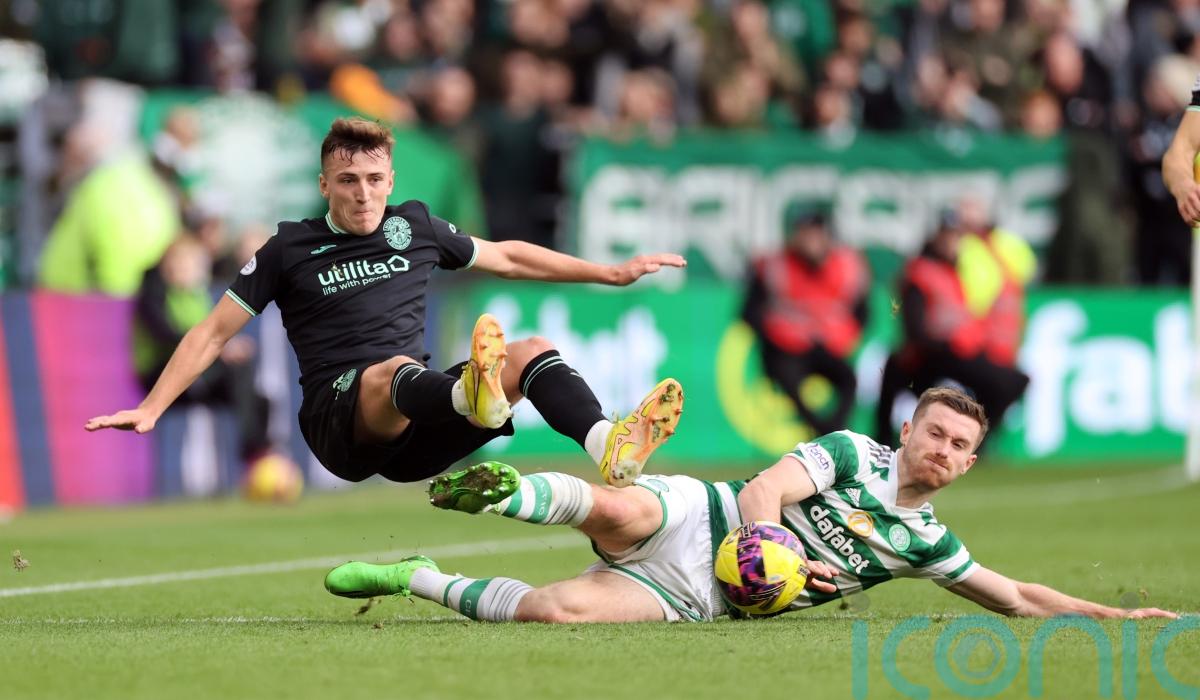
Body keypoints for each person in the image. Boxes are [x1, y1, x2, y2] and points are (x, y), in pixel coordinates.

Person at [86, 117, 687, 488]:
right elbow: (212, 332)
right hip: (340, 423)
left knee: (532, 351)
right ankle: (470, 397)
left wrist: (607, 272)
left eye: (375, 180)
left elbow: (506, 256)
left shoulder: (415, 226)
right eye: (348, 181)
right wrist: (152, 407)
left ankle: (606, 444)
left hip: (418, 424)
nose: (363, 193)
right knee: (393, 369)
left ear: (391, 182)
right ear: (325, 185)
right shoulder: (288, 247)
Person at [323, 387, 1177, 623]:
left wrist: (1113, 616)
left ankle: (417, 576)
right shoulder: (853, 453)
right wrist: (769, 548)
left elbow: (1015, 595)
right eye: (935, 433)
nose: (942, 451)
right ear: (908, 430)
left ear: (969, 464)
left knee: (555, 612)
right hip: (707, 518)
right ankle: (508, 492)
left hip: (699, 594)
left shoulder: (925, 542)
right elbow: (767, 487)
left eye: (959, 446)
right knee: (618, 511)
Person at [874, 211, 1028, 447]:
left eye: (956, 237)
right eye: (947, 236)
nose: (951, 243)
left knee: (1011, 381)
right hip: (936, 353)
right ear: (936, 237)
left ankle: (976, 441)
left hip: (960, 352)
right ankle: (882, 442)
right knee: (894, 369)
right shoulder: (921, 272)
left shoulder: (959, 272)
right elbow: (914, 329)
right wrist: (946, 343)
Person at [741, 204, 869, 435]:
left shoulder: (846, 266)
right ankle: (821, 430)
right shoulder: (775, 266)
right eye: (805, 233)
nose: (811, 240)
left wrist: (846, 336)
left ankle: (836, 430)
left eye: (816, 233)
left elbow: (862, 312)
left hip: (827, 346)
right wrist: (770, 339)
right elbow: (750, 312)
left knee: (848, 378)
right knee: (787, 377)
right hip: (785, 347)